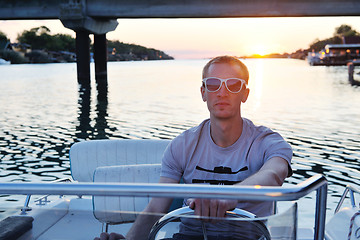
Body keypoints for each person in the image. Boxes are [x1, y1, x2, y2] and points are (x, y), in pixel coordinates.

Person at [94, 55, 293, 240]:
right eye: (213, 84)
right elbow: (157, 206)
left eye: (233, 85)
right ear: (203, 93)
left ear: (245, 94)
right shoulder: (182, 145)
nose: (222, 92)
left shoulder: (267, 141)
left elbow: (274, 173)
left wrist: (228, 196)